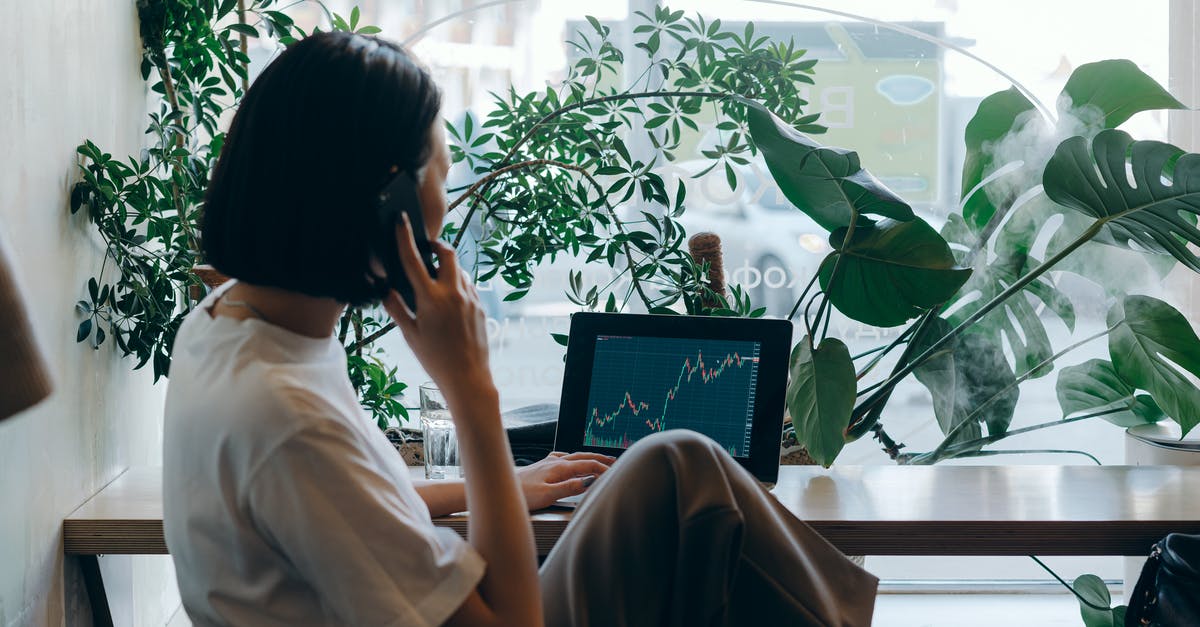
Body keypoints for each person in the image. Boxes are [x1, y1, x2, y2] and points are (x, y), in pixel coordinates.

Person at [162, 31, 877, 627]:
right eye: (444, 171)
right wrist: (472, 393)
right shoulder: (289, 420)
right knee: (696, 505)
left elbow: (353, 504)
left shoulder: (230, 326)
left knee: (676, 465)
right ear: (392, 207)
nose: (455, 192)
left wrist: (510, 482)